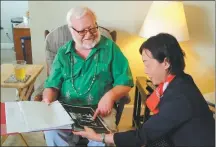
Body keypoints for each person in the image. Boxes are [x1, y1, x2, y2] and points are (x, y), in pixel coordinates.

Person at [73, 33, 215, 147]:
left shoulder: (180, 97)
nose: (145, 71)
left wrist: (98, 137)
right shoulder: (181, 79)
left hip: (188, 142)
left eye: (147, 64)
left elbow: (141, 135)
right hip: (177, 136)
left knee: (133, 140)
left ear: (166, 62)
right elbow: (154, 126)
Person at [42, 6, 134, 146]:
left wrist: (110, 96)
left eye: (92, 28)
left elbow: (125, 81)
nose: (89, 34)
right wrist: (47, 98)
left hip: (99, 110)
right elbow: (52, 85)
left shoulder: (110, 48)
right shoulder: (63, 53)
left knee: (103, 139)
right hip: (66, 109)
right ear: (72, 30)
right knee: (52, 131)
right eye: (82, 31)